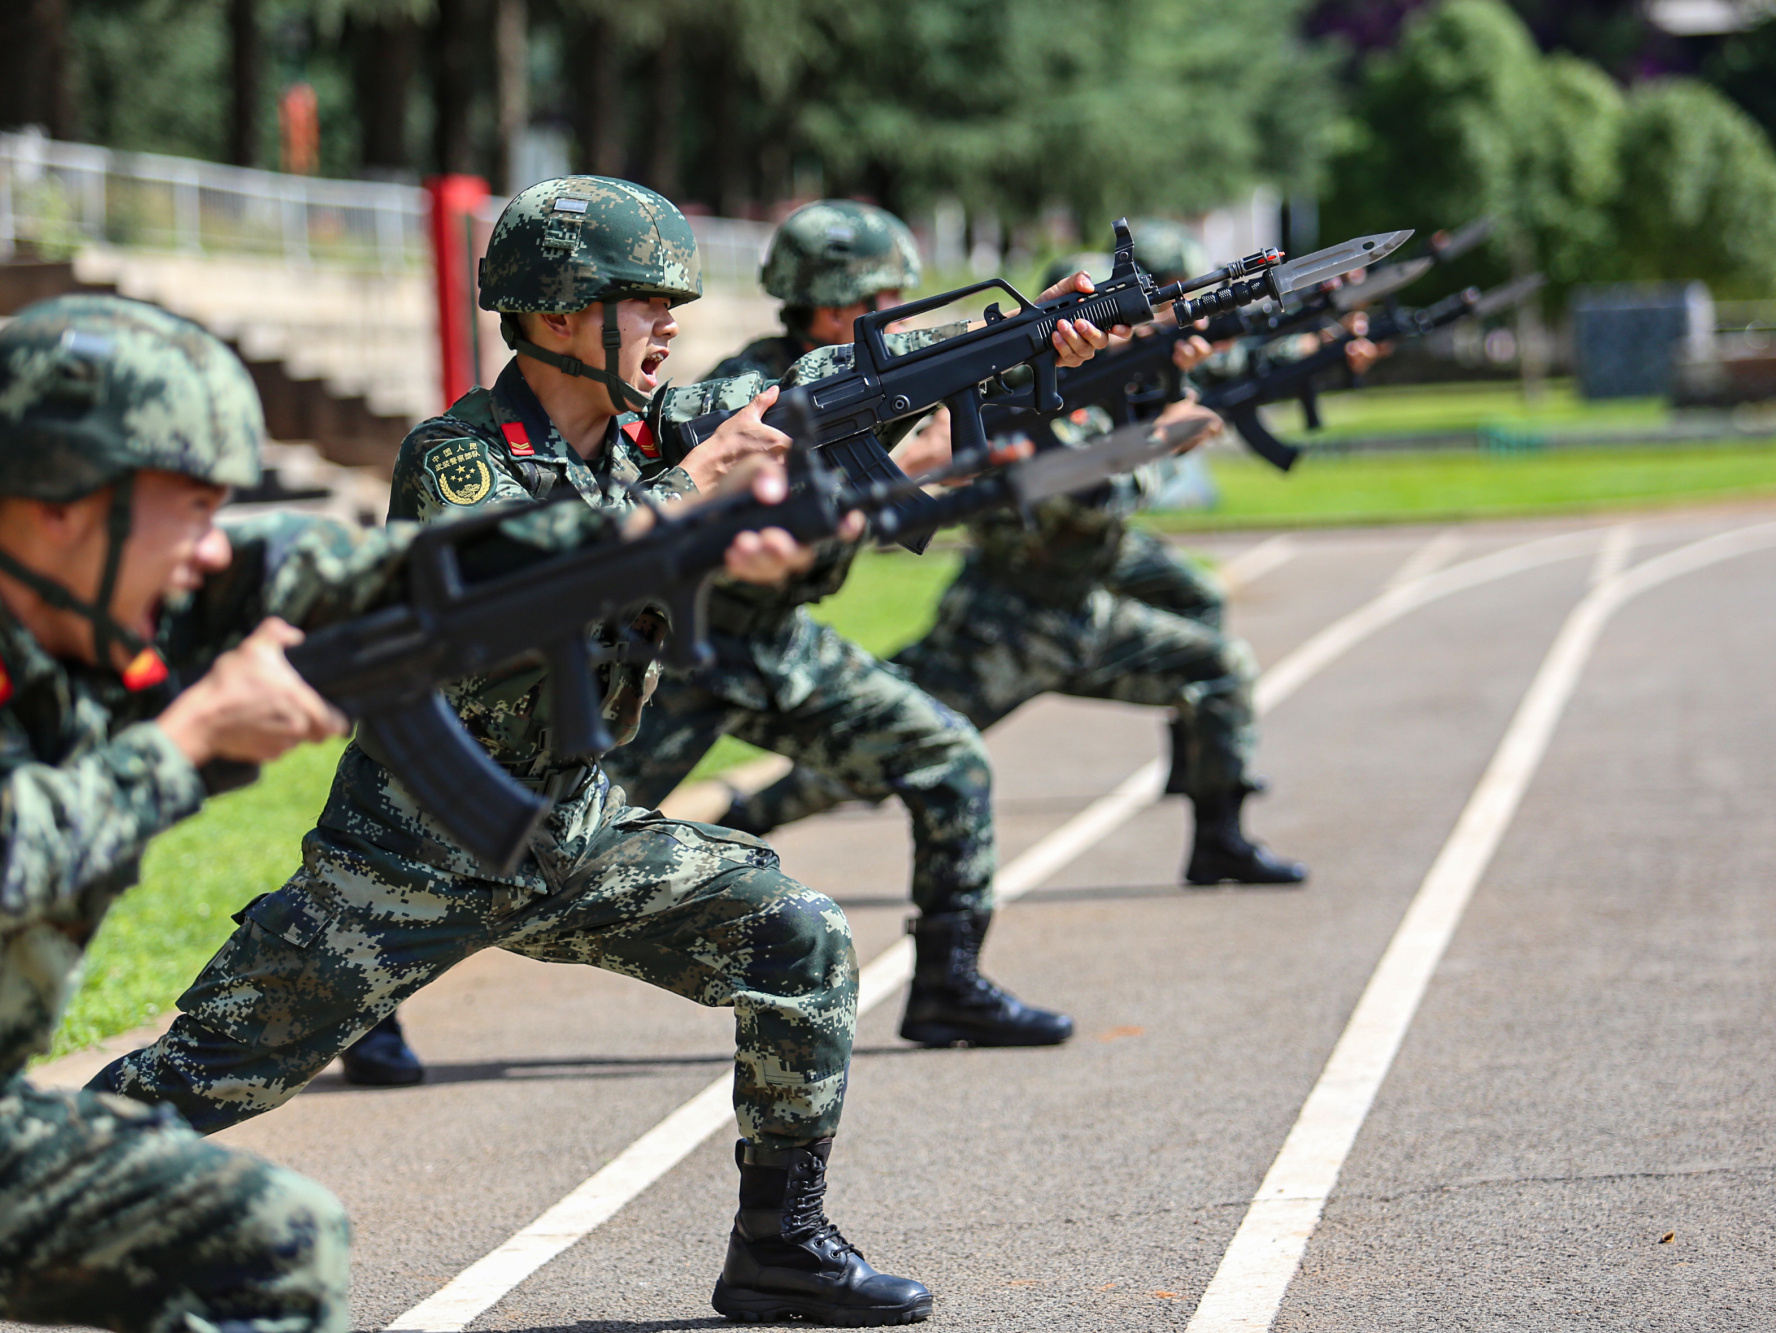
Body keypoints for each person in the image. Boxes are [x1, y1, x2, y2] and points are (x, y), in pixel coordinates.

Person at [88, 175, 1108, 1325]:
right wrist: (696, 484)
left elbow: (813, 387)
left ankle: (780, 1244)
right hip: (412, 857)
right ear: (561, 314)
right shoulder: (457, 457)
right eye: (644, 302)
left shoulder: (656, 425)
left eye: (673, 305)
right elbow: (524, 590)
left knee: (799, 939)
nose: (669, 324)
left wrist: (1009, 341)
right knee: (194, 1078)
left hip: (569, 834)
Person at [0, 294, 401, 1333]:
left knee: (273, 1242)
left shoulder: (83, 614)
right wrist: (186, 738)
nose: (209, 550)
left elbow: (399, 574)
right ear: (61, 502)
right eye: (191, 508)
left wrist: (668, 530)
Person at [600, 199, 1083, 1051]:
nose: (903, 307)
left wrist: (1066, 344)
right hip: (677, 659)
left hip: (779, 642)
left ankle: (948, 982)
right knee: (543, 849)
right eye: (889, 293)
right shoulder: (746, 396)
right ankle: (377, 1007)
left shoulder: (880, 387)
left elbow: (969, 386)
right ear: (835, 309)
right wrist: (907, 471)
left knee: (949, 757)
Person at [741, 226, 1335, 885]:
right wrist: (1157, 444)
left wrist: (1170, 400)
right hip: (1002, 624)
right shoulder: (1022, 394)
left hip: (1077, 606)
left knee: (1219, 668)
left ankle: (1219, 838)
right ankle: (743, 819)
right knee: (861, 762)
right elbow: (1083, 498)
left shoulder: (1110, 382)